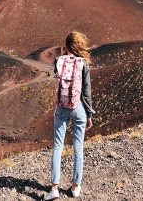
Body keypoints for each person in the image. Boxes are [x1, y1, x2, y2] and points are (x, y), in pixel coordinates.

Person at [45, 32, 95, 200]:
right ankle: (75, 187)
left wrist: (62, 54)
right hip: (78, 108)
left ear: (65, 46)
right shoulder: (83, 63)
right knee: (77, 147)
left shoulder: (58, 61)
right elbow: (86, 92)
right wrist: (89, 115)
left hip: (61, 108)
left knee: (58, 147)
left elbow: (58, 75)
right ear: (79, 46)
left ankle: (54, 188)